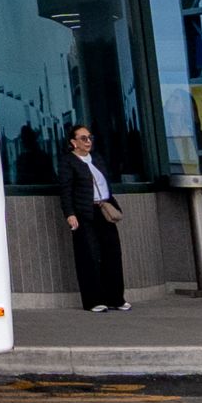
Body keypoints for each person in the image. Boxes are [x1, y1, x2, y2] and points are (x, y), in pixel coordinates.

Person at [54, 122, 128, 314]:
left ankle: (115, 298)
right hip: (84, 212)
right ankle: (93, 300)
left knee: (112, 253)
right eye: (83, 138)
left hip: (103, 208)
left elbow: (106, 184)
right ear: (73, 142)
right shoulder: (68, 161)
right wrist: (70, 213)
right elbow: (66, 190)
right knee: (88, 255)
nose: (88, 142)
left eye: (90, 138)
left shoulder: (97, 159)